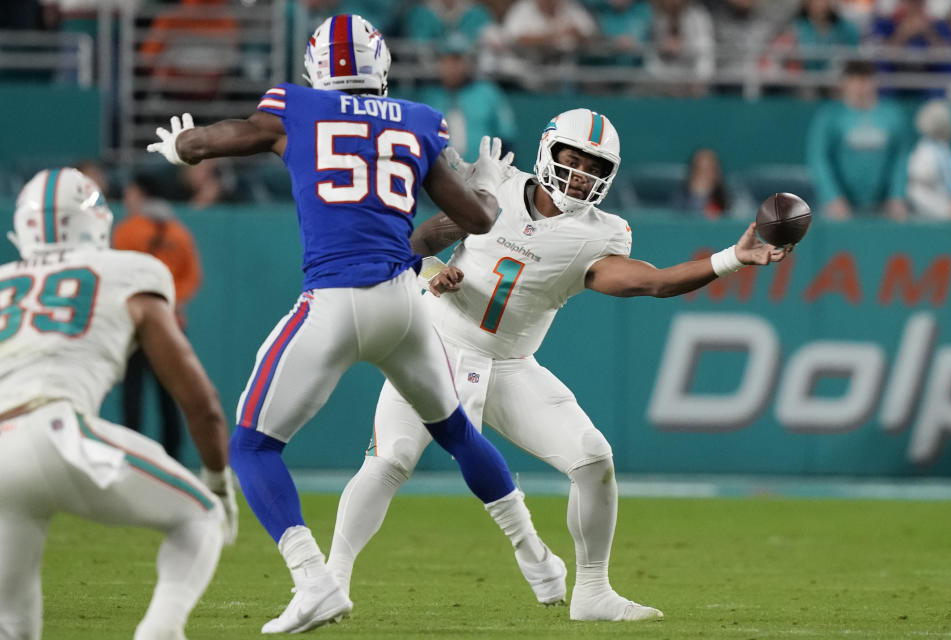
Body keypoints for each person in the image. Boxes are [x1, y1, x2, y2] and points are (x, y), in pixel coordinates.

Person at [147, 14, 562, 633]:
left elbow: (226, 137)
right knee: (455, 434)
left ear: (317, 67)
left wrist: (185, 145)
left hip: (334, 303)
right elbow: (471, 222)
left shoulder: (295, 106)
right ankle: (540, 561)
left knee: (252, 445)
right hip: (401, 301)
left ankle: (315, 581)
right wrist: (487, 190)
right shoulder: (420, 121)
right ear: (381, 67)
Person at [326, 109, 786, 622]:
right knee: (392, 459)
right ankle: (331, 581)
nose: (583, 174)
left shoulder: (599, 233)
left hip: (508, 363)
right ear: (548, 151)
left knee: (593, 459)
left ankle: (592, 591)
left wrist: (732, 258)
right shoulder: (497, 189)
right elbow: (415, 244)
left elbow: (652, 282)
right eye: (574, 159)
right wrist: (432, 270)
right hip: (434, 342)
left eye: (595, 167)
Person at [0, 167, 238, 640]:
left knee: (11, 625)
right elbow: (202, 402)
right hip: (56, 431)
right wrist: (219, 483)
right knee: (201, 515)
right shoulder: (128, 270)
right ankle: (160, 632)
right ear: (98, 220)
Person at [113, 175, 204, 460]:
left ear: (141, 194)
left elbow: (120, 276)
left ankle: (132, 458)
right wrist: (166, 302)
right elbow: (192, 277)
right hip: (172, 324)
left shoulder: (128, 230)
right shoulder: (179, 233)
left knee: (133, 398)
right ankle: (173, 461)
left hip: (135, 326)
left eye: (130, 192)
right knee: (172, 397)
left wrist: (146, 304)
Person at [806, 59, 910, 219]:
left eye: (865, 80)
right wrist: (832, 197)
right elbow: (819, 159)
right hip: (841, 204)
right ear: (845, 84)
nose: (860, 86)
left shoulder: (892, 115)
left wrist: (897, 196)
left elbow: (900, 159)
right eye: (855, 80)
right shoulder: (830, 116)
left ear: (875, 82)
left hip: (882, 204)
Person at [417, 33, 517, 162]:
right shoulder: (429, 96)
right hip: (443, 176)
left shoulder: (487, 92)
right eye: (446, 60)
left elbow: (506, 136)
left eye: (458, 60)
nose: (452, 67)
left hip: (483, 173)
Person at [907, 99, 951, 219]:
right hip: (934, 213)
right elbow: (917, 186)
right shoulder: (924, 151)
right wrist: (948, 210)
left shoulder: (945, 148)